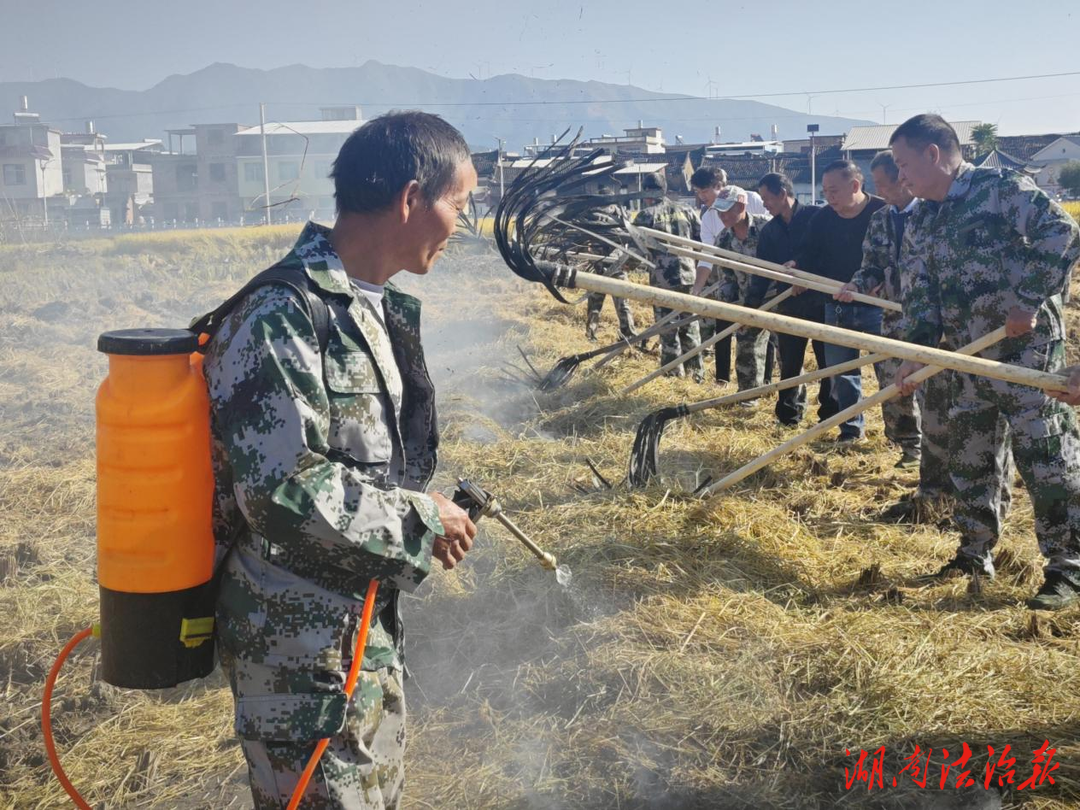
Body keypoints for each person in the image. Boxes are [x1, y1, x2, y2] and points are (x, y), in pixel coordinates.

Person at [203, 111, 480, 807]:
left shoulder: (371, 308)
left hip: (359, 636)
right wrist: (420, 521)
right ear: (412, 198)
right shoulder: (283, 314)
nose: (463, 225)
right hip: (298, 656)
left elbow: (356, 467)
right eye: (461, 205)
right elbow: (280, 486)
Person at [892, 113, 1080, 609]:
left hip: (1026, 356)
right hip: (964, 359)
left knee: (1048, 463)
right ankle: (974, 553)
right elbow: (919, 294)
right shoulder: (920, 217)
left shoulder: (999, 189)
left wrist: (1027, 297)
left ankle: (1068, 568)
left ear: (934, 154)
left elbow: (1061, 232)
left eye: (904, 164)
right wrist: (915, 353)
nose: (901, 177)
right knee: (971, 460)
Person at [836, 151, 922, 467]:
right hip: (893, 316)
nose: (880, 191)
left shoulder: (933, 213)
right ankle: (908, 447)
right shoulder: (881, 219)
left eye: (884, 184)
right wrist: (857, 285)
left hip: (931, 316)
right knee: (894, 383)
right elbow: (871, 265)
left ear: (903, 178)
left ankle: (936, 448)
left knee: (931, 383)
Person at [794, 160, 886, 445]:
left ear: (855, 186)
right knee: (842, 372)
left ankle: (903, 435)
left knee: (890, 370)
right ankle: (850, 430)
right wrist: (797, 269)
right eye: (826, 191)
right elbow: (807, 253)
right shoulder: (822, 219)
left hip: (877, 304)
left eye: (834, 191)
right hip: (835, 302)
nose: (829, 197)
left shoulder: (880, 212)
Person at [748, 172, 839, 427]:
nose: (764, 204)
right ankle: (788, 416)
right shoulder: (769, 231)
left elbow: (829, 255)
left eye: (767, 198)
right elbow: (761, 275)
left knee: (826, 363)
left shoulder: (816, 218)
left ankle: (830, 415)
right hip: (789, 305)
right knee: (789, 364)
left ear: (782, 193)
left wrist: (805, 276)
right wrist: (750, 309)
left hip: (821, 302)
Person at [691, 167, 769, 382]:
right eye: (697, 192)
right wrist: (699, 291)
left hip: (770, 287)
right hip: (737, 281)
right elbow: (711, 259)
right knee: (732, 331)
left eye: (704, 191)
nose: (701, 197)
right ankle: (731, 383)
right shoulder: (715, 227)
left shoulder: (758, 209)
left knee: (774, 340)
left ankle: (770, 382)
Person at [635, 171, 705, 381]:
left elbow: (638, 251)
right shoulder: (687, 210)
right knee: (690, 326)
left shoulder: (645, 216)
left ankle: (673, 375)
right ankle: (696, 375)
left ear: (647, 191)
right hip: (688, 276)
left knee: (667, 328)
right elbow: (700, 241)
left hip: (663, 279)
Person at [710, 197, 775, 394]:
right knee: (746, 344)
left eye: (727, 211)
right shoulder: (723, 239)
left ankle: (789, 399)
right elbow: (727, 277)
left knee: (787, 351)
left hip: (777, 295)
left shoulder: (767, 227)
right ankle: (749, 394)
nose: (722, 216)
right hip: (748, 300)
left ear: (741, 206)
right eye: (719, 212)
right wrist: (729, 309)